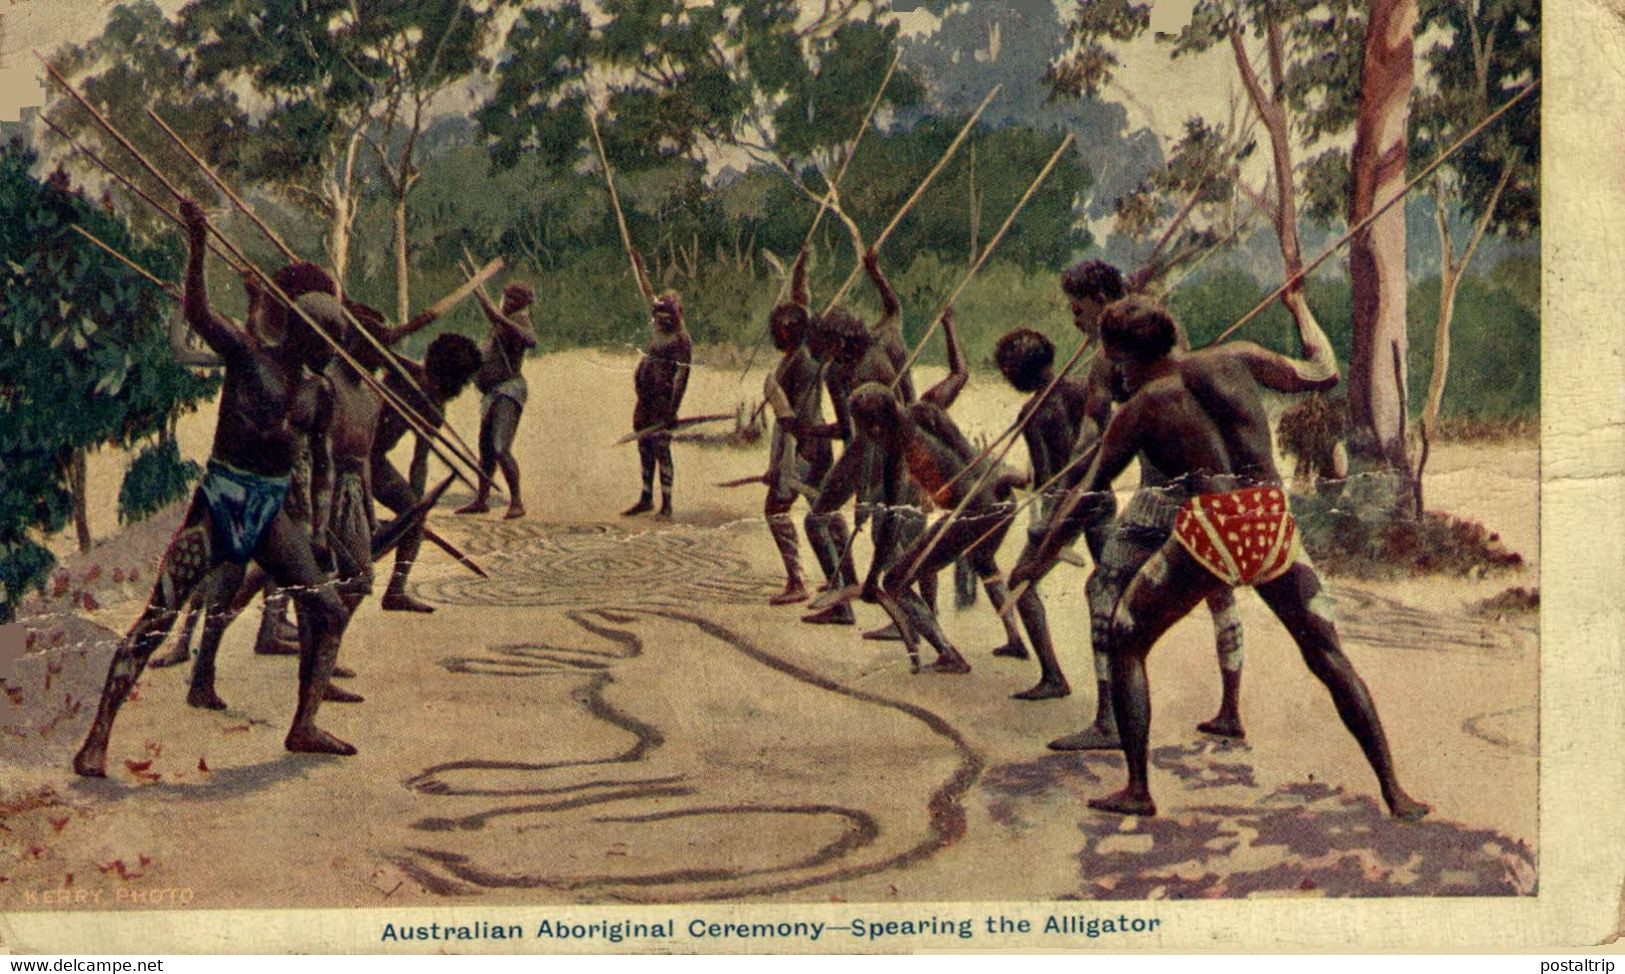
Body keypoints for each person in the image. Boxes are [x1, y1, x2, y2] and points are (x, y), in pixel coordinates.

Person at [1009, 296, 1429, 821]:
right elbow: (1323, 373)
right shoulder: (1237, 357)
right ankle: (1395, 792)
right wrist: (1300, 308)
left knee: (1125, 640)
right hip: (1272, 522)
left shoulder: (1141, 408)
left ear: (1121, 358)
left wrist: (1036, 562)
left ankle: (1138, 789)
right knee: (1327, 655)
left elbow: (1087, 496)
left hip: (1213, 531)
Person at [73, 198, 356, 776]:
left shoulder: (318, 393)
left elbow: (322, 465)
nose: (334, 348)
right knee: (157, 617)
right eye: (329, 336)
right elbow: (199, 312)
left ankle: (302, 726)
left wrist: (321, 531)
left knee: (327, 609)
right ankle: (96, 738)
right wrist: (197, 241)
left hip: (269, 513)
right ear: (306, 334)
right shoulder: (247, 356)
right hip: (220, 507)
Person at [1050, 260, 1249, 747]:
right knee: (1218, 590)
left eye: (1079, 310)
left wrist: (1067, 480)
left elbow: (1093, 429)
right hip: (1210, 488)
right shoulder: (1166, 330)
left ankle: (1107, 722)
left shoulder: (1108, 354)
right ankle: (1230, 710)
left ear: (1099, 301)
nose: (1076, 320)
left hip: (1159, 494)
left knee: (1103, 588)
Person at [849, 308, 1034, 675]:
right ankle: (1015, 637)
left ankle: (949, 653)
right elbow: (960, 375)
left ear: (873, 425)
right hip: (999, 499)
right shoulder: (926, 409)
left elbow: (887, 527)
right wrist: (950, 326)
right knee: (983, 561)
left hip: (974, 509)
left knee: (895, 581)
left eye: (865, 428)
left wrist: (872, 580)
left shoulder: (894, 450)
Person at [991, 327, 1091, 699]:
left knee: (1021, 580)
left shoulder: (1032, 411)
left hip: (1065, 506)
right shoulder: (1082, 388)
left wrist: (1016, 480)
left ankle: (1053, 676)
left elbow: (1048, 478)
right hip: (1099, 496)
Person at [759, 250, 832, 604]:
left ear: (787, 332)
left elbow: (798, 422)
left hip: (803, 447)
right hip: (809, 446)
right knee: (824, 512)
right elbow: (802, 303)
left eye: (776, 329)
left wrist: (775, 398)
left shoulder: (801, 363)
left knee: (776, 510)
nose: (771, 333)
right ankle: (834, 582)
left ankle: (799, 581)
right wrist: (801, 268)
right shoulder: (803, 351)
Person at [456, 282, 537, 520]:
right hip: (491, 393)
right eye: (506, 298)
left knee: (501, 447)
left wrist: (498, 317)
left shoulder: (519, 321)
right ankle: (481, 500)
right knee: (486, 451)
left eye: (512, 300)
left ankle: (517, 502)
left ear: (521, 304)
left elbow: (531, 340)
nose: (507, 303)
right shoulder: (499, 323)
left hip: (509, 391)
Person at [622, 256, 692, 519]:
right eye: (658, 315)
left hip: (662, 401)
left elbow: (682, 377)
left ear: (675, 316)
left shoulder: (681, 339)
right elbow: (647, 293)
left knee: (661, 448)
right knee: (643, 446)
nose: (660, 319)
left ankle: (667, 503)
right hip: (644, 399)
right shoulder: (658, 327)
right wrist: (639, 268)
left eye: (665, 316)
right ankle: (645, 497)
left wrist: (673, 409)